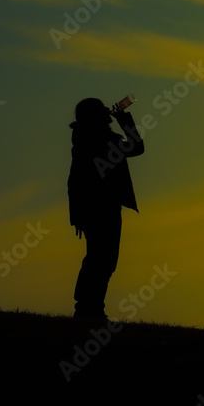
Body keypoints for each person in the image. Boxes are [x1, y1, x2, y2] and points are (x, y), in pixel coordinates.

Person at [67, 98, 145, 320]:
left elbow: (75, 182)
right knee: (101, 259)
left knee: (102, 259)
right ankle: (87, 308)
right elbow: (137, 147)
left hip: (100, 207)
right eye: (102, 110)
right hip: (101, 208)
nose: (107, 112)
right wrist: (125, 121)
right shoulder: (99, 141)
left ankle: (90, 308)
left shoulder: (88, 139)